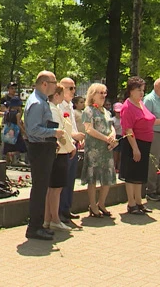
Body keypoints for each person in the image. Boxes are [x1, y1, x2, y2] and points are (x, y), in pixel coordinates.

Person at [24, 71, 65, 241]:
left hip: (44, 147)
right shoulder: (37, 103)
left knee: (41, 188)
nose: (56, 86)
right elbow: (33, 129)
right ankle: (34, 227)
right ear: (45, 83)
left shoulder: (41, 101)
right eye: (54, 82)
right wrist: (54, 132)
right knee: (40, 189)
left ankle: (38, 225)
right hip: (39, 149)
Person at [119, 76, 159, 215]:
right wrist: (135, 148)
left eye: (142, 90)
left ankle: (139, 201)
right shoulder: (127, 106)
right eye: (138, 90)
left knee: (139, 175)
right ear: (130, 91)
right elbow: (128, 130)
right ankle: (131, 203)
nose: (141, 93)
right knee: (131, 175)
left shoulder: (141, 104)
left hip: (145, 144)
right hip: (133, 144)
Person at [80, 83, 118, 218]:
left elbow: (111, 126)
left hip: (106, 149)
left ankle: (101, 203)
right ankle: (93, 205)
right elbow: (89, 129)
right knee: (92, 178)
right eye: (100, 93)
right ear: (92, 95)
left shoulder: (105, 111)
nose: (103, 95)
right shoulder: (88, 110)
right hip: (94, 149)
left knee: (107, 177)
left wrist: (112, 136)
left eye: (104, 93)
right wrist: (106, 138)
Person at [44, 84, 74, 232]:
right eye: (61, 95)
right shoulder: (53, 110)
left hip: (59, 152)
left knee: (53, 188)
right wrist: (71, 147)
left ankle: (48, 218)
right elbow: (59, 133)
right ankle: (54, 219)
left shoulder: (55, 109)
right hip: (59, 152)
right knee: (55, 189)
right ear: (56, 95)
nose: (63, 98)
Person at [58, 77, 86, 224]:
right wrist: (74, 135)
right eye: (70, 88)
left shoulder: (69, 106)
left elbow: (73, 127)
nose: (73, 91)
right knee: (62, 181)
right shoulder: (59, 106)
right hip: (64, 148)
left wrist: (78, 138)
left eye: (74, 88)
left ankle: (67, 208)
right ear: (61, 89)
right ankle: (60, 211)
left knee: (70, 180)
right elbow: (62, 129)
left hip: (73, 146)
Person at [2, 97, 27, 164]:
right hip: (16, 133)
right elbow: (18, 124)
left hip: (8, 132)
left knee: (9, 147)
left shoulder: (7, 113)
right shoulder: (17, 114)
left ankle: (8, 161)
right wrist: (24, 132)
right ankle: (12, 154)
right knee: (22, 148)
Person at [111, 102, 123, 172]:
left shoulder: (124, 119)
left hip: (122, 136)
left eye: (120, 112)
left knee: (121, 153)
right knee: (115, 153)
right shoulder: (113, 119)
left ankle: (119, 167)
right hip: (116, 137)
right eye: (117, 112)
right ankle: (114, 167)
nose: (118, 113)